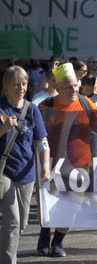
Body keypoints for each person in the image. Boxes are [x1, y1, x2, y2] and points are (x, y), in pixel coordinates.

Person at [37, 62, 97, 257]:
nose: (74, 88)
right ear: (58, 87)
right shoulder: (46, 106)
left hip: (79, 165)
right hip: (51, 165)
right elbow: (35, 134)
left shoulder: (86, 103)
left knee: (72, 207)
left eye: (76, 84)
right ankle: (44, 234)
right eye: (69, 86)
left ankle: (58, 242)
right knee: (48, 205)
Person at [0, 66, 50, 264]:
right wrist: (4, 128)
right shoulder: (0, 108)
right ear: (6, 86)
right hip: (4, 172)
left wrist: (45, 166)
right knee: (12, 221)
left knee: (21, 224)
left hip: (27, 174)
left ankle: (4, 246)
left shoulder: (32, 109)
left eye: (24, 83)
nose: (21, 87)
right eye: (16, 84)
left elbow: (42, 141)